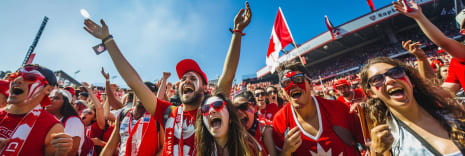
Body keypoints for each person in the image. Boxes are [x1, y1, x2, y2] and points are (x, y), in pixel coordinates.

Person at [83, 1, 251, 155]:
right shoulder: (168, 112)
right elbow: (134, 82)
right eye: (184, 78)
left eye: (193, 78)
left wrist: (237, 32)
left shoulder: (211, 111)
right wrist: (107, 40)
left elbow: (228, 75)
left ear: (205, 88)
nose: (186, 81)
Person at [359, 57, 465, 155]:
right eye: (377, 79)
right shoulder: (389, 140)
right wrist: (378, 152)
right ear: (371, 94)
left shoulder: (454, 112)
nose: (390, 80)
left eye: (396, 72)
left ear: (411, 81)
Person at [272, 61, 364, 156]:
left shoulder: (338, 109)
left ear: (311, 85)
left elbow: (368, 142)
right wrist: (286, 151)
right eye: (285, 83)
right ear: (282, 93)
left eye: (298, 79)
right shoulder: (280, 123)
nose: (292, 85)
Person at [393, 0, 465, 94]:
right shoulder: (456, 63)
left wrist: (419, 17)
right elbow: (441, 93)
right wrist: (422, 59)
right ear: (463, 32)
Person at [0, 64, 73, 155]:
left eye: (31, 77)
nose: (17, 80)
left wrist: (61, 153)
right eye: (16, 76)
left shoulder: (52, 127)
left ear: (48, 90)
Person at [195, 94, 261, 156]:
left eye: (218, 105)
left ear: (230, 115)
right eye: (205, 109)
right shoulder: (201, 151)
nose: (211, 111)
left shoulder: (250, 147)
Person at [233, 91, 276, 156]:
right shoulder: (232, 132)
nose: (239, 112)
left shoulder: (266, 131)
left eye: (244, 106)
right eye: (234, 108)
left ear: (255, 108)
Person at [47, 88, 85, 156]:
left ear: (66, 103)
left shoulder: (73, 121)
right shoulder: (50, 119)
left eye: (56, 98)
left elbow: (72, 151)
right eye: (50, 97)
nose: (51, 100)